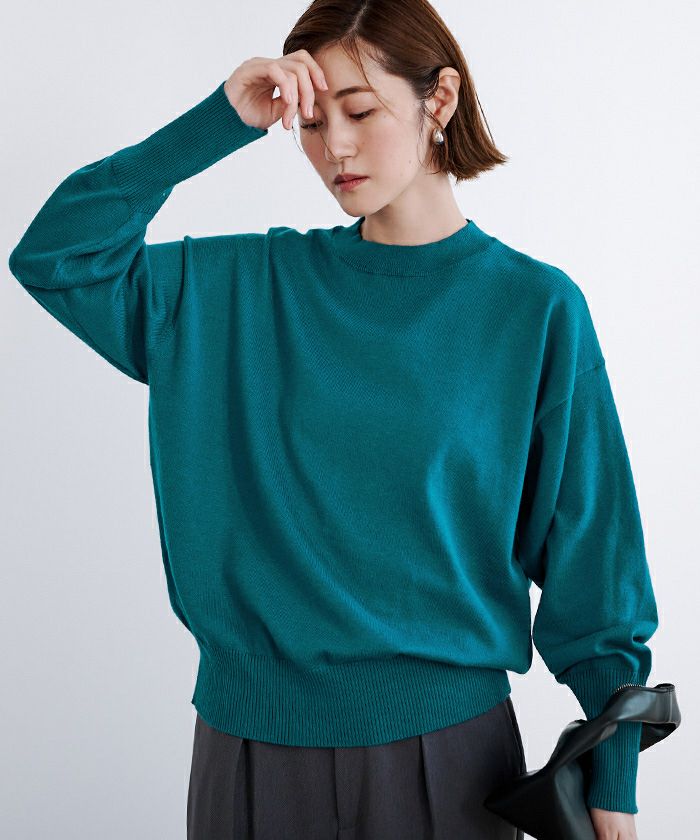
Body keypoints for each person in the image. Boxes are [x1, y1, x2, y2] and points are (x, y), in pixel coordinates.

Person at [8, 1, 658, 838]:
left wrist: (614, 772)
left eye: (359, 112)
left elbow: (594, 563)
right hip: (248, 753)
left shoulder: (533, 309)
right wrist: (217, 123)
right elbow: (58, 257)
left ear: (440, 99)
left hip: (450, 758)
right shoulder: (234, 292)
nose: (334, 149)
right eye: (312, 124)